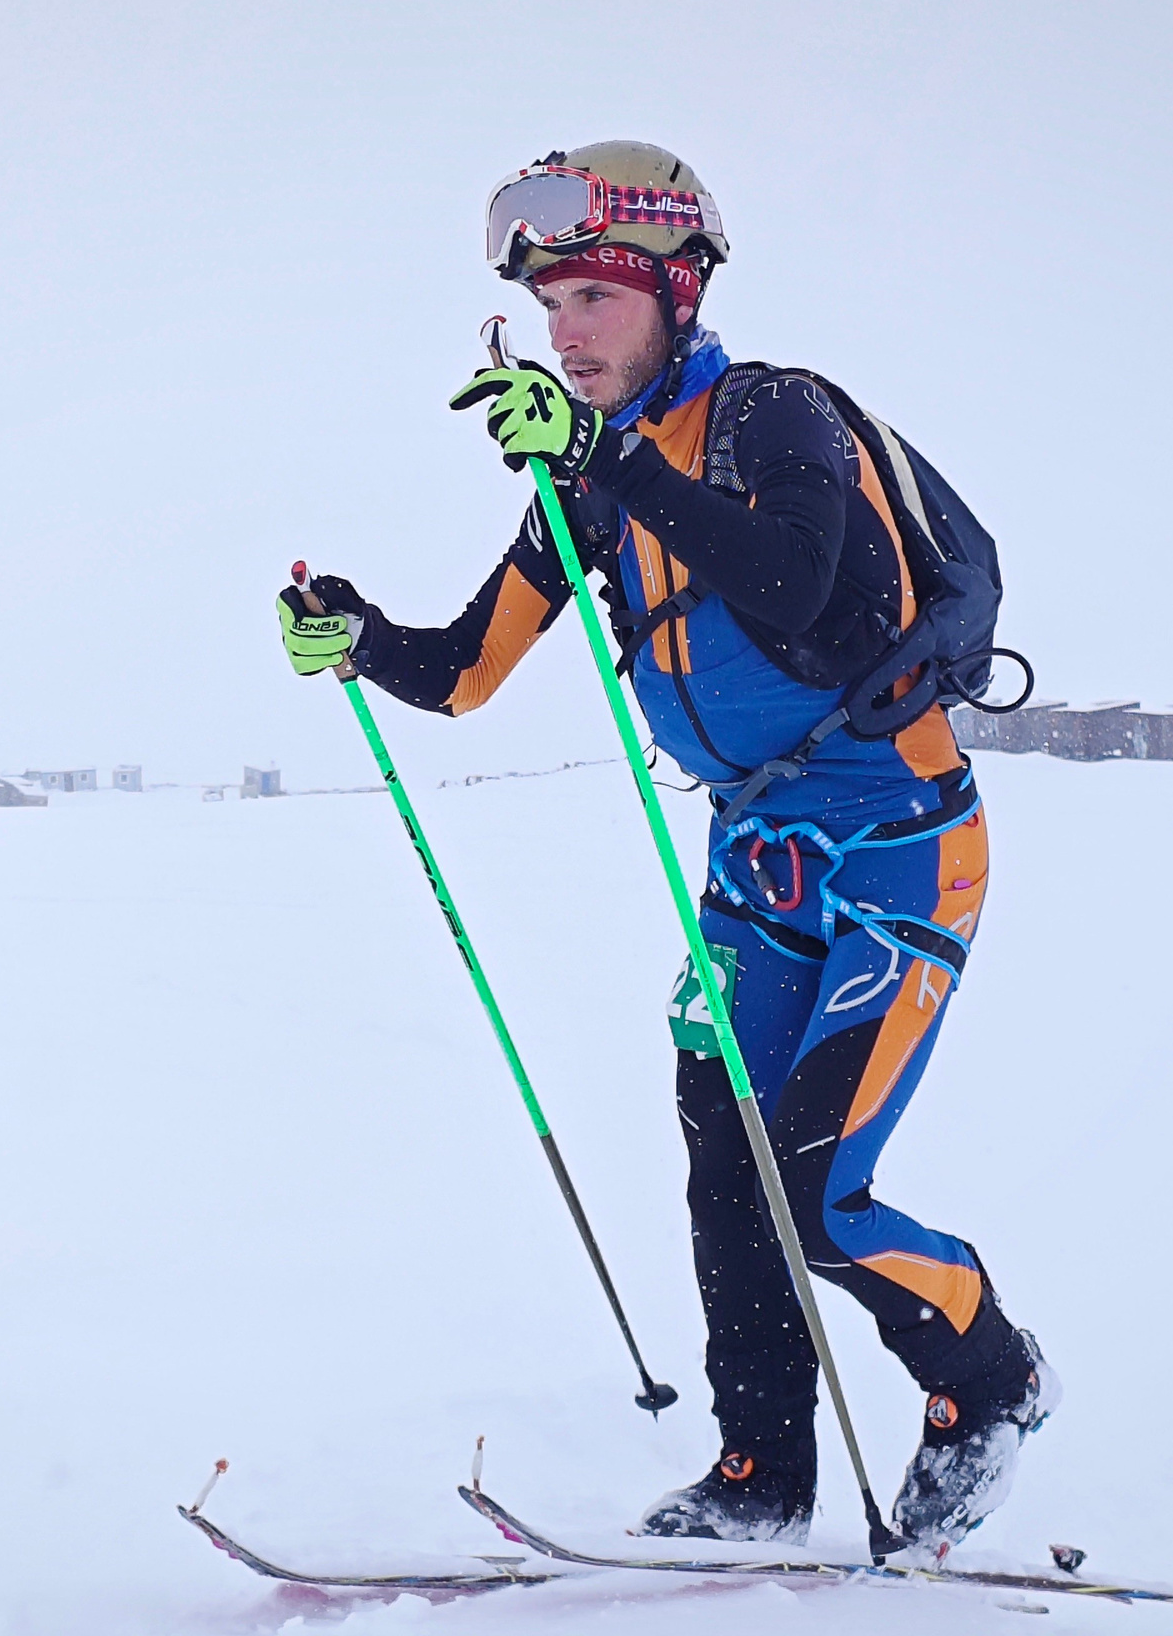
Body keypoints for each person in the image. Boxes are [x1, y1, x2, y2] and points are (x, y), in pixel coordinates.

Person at [276, 142, 1053, 1554]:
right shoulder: (584, 480)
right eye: (547, 303)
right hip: (757, 869)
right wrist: (357, 630)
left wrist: (604, 460)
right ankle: (762, 1474)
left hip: (900, 852)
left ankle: (988, 1386)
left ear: (677, 291)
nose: (565, 332)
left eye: (593, 299)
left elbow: (796, 583)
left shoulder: (772, 418)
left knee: (818, 1182)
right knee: (728, 1166)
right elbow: (464, 673)